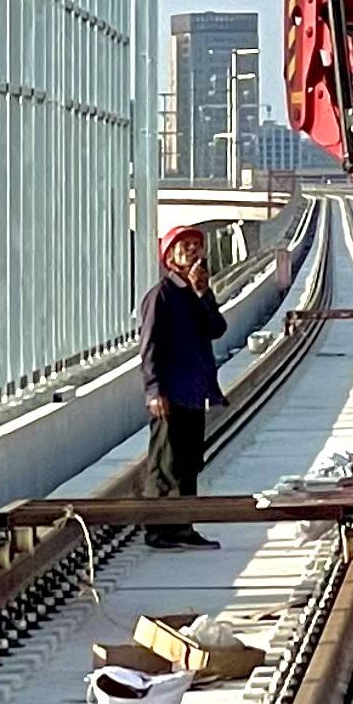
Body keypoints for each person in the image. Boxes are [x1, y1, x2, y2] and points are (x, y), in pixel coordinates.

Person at [137, 224, 228, 547]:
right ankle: (159, 529)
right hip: (170, 392)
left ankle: (183, 525)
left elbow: (217, 328)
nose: (192, 250)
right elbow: (148, 347)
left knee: (189, 462)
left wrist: (204, 293)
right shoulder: (161, 295)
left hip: (193, 391)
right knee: (165, 464)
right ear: (170, 255)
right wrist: (153, 390)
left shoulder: (194, 292)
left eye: (195, 245)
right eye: (184, 245)